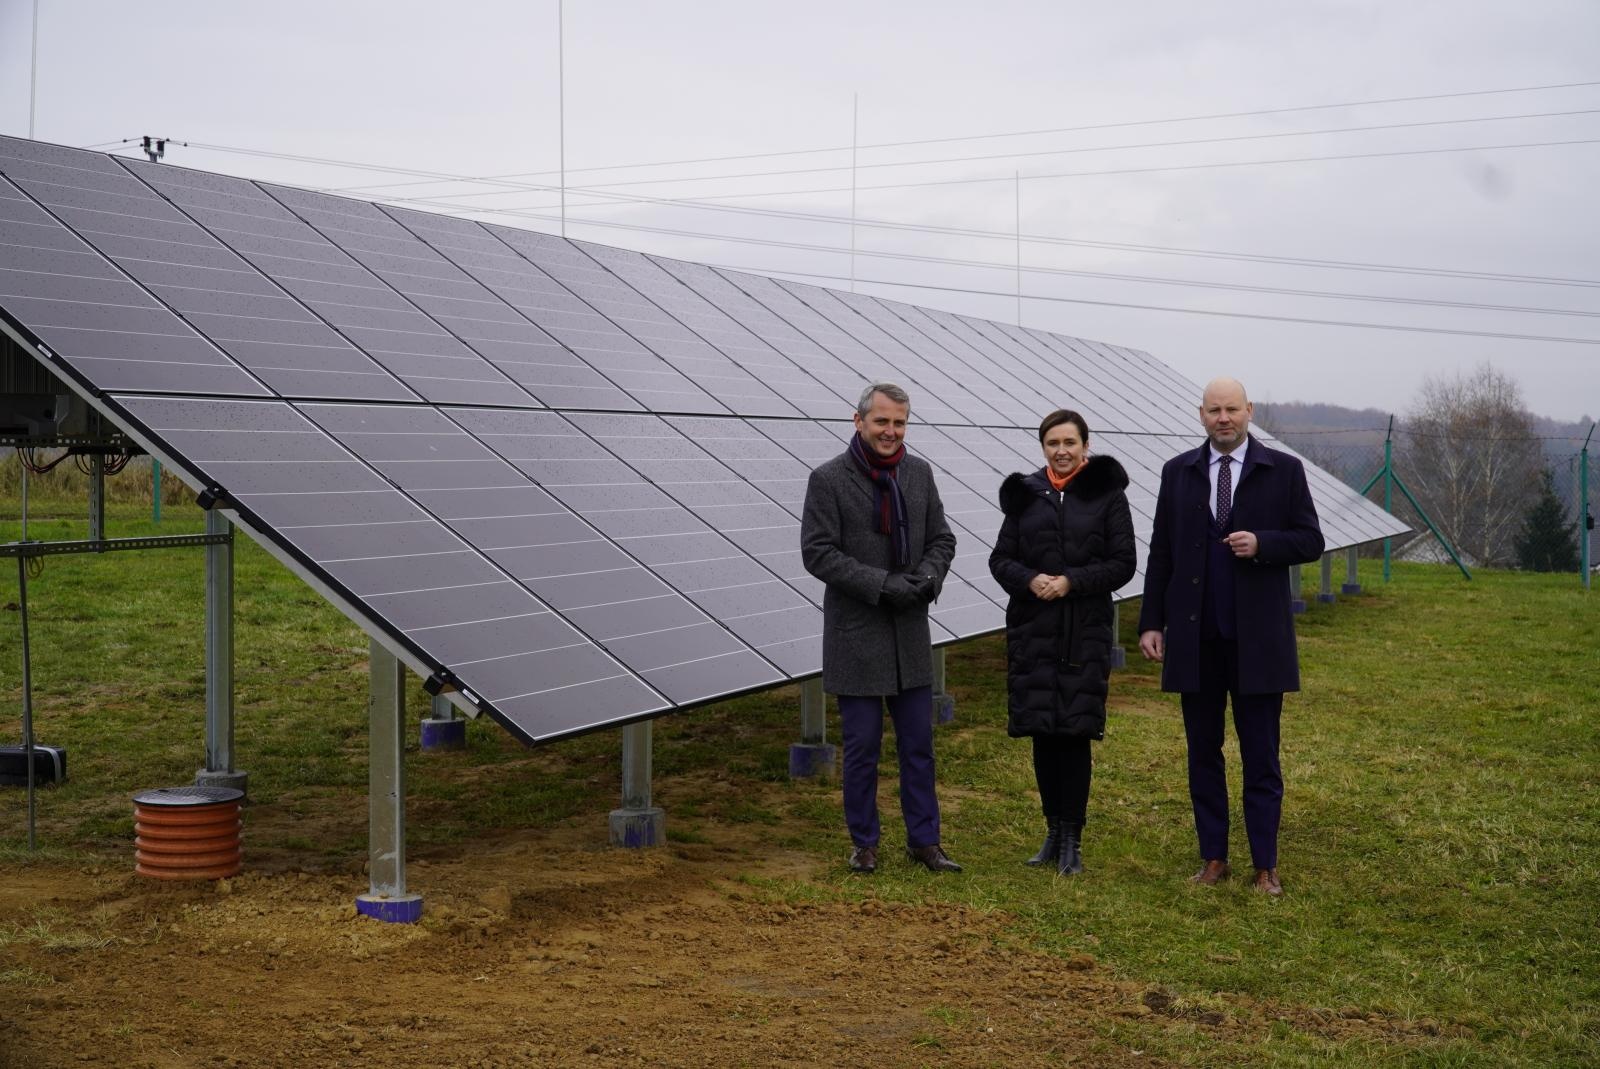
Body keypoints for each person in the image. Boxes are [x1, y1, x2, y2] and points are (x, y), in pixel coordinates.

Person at [1137, 377, 1324, 895]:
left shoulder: (1283, 470)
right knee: (1203, 752)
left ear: (1249, 412)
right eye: (1214, 410)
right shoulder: (1178, 472)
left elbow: (1310, 540)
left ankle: (1265, 865)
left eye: (1232, 410)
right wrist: (1152, 621)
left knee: (1261, 755)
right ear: (1201, 415)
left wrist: (1263, 543)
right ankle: (1214, 857)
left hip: (1257, 641)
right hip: (1196, 640)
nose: (1223, 418)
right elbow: (1161, 552)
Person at [801, 382, 961, 875]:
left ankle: (925, 842)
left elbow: (942, 539)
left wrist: (927, 579)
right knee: (862, 750)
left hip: (909, 633)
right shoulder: (829, 479)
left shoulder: (919, 474)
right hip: (856, 635)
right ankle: (864, 843)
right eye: (882, 421)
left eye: (900, 423)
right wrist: (882, 584)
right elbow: (818, 553)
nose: (891, 431)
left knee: (918, 746)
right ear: (859, 421)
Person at [989, 410, 1136, 875]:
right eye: (1053, 443)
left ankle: (1073, 836)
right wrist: (1029, 579)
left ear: (1085, 445)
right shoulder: (1026, 495)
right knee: (1043, 732)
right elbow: (1000, 559)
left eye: (1070, 442)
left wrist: (1071, 582)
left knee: (1073, 733)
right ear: (1043, 447)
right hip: (1033, 631)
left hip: (1083, 632)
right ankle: (1052, 831)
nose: (1062, 450)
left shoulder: (1107, 494)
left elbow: (1123, 563)